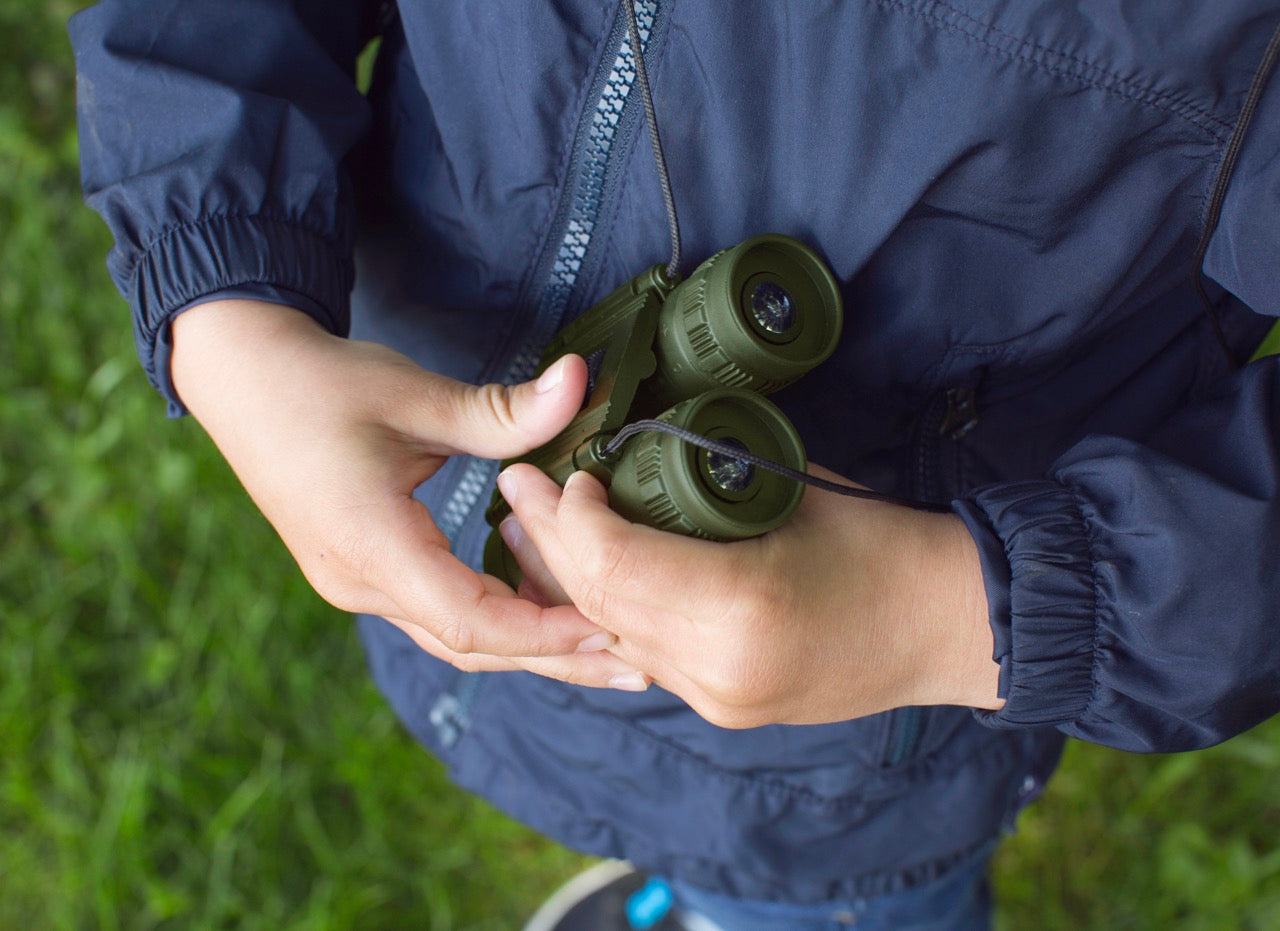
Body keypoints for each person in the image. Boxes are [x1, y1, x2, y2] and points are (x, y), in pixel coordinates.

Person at [71, 1, 1280, 927]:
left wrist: (945, 612)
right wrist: (230, 315)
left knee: (801, 895)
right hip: (425, 421)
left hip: (849, 738)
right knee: (671, 809)